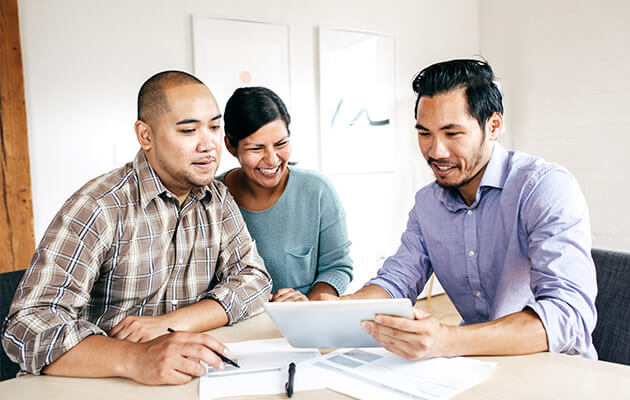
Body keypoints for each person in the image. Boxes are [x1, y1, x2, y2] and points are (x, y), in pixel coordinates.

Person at [1, 71, 272, 385]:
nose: (209, 144)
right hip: (96, 384)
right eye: (188, 130)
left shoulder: (218, 198)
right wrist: (135, 357)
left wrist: (171, 324)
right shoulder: (99, 206)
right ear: (146, 136)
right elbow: (28, 326)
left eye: (213, 127)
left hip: (185, 379)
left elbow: (254, 279)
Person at [329, 59, 597, 360]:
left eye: (452, 134)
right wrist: (336, 309)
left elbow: (569, 315)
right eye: (424, 133)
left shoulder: (544, 188)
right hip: (473, 366)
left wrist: (448, 339)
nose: (435, 152)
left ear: (493, 125)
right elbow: (396, 280)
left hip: (554, 368)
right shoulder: (427, 204)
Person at [218, 86, 353, 302]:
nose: (272, 159)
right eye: (256, 148)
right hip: (235, 326)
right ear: (231, 146)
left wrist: (307, 305)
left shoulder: (317, 191)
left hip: (304, 323)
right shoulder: (213, 199)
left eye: (281, 143)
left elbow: (337, 267)